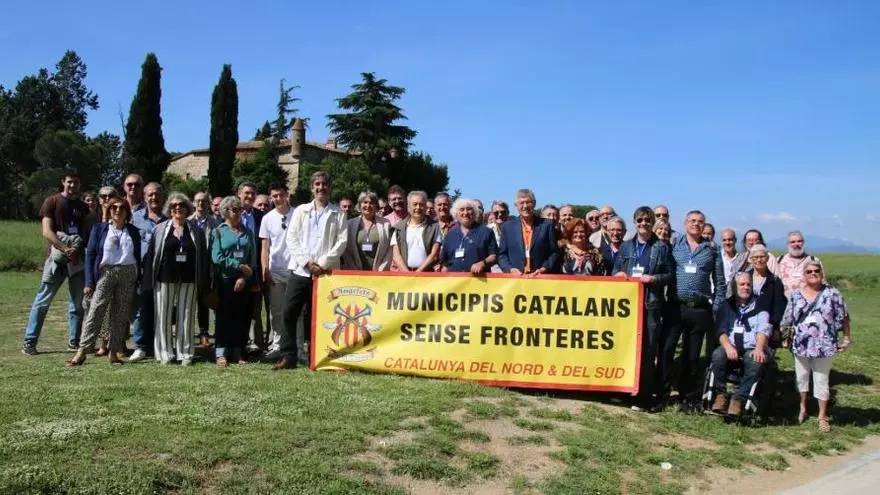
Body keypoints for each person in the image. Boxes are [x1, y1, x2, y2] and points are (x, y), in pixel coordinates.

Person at [274, 171, 348, 370]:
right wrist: (307, 262)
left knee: (321, 316)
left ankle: (318, 355)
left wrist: (322, 264)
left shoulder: (338, 213)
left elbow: (341, 242)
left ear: (330, 187)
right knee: (289, 312)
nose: (321, 187)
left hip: (325, 274)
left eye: (324, 184)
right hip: (300, 271)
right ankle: (288, 356)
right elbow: (292, 238)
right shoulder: (301, 211)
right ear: (311, 187)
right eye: (317, 184)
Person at [661, 210, 726, 412]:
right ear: (685, 223)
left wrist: (715, 307)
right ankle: (661, 393)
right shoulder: (674, 245)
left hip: (699, 309)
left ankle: (687, 398)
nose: (696, 224)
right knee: (667, 350)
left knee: (692, 354)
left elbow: (720, 282)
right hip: (675, 306)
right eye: (692, 221)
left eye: (700, 222)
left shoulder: (712, 250)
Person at [67, 198, 141, 366]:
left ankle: (113, 352)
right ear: (109, 210)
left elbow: (137, 255)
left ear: (127, 212)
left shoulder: (133, 231)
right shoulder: (99, 229)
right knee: (95, 311)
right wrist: (89, 282)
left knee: (120, 315)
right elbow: (90, 255)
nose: (117, 210)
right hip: (105, 273)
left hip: (128, 273)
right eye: (114, 207)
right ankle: (82, 351)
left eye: (122, 207)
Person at [613, 206, 673, 411]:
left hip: (651, 305)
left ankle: (644, 397)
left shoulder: (661, 248)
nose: (644, 224)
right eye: (639, 220)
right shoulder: (626, 247)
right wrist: (619, 275)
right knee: (627, 349)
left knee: (647, 352)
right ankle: (624, 391)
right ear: (634, 222)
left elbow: (670, 276)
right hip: (629, 307)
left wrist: (654, 278)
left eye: (647, 220)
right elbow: (616, 269)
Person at [21, 171, 88, 355]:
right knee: (43, 301)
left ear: (79, 184)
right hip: (56, 260)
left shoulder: (83, 206)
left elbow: (86, 232)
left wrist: (77, 251)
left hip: (77, 261)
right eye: (69, 182)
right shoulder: (52, 201)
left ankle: (74, 342)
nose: (72, 185)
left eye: (75, 182)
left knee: (77, 304)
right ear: (63, 182)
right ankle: (30, 342)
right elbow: (47, 231)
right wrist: (65, 249)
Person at [781, 260, 851, 432]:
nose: (813, 274)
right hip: (801, 345)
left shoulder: (832, 294)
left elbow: (844, 317)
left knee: (821, 380)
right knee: (801, 378)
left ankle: (822, 415)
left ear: (821, 273)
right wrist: (785, 338)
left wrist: (847, 339)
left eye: (816, 271)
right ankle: (803, 408)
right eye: (809, 271)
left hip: (824, 345)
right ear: (804, 275)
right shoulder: (796, 295)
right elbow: (787, 319)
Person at [150, 193, 210, 365]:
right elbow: (152, 255)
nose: (178, 208)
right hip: (164, 278)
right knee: (163, 315)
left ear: (187, 208)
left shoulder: (196, 231)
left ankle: (185, 353)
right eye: (174, 205)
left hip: (189, 279)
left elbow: (203, 256)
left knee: (186, 315)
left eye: (181, 205)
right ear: (169, 209)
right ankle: (164, 353)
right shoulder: (160, 228)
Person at [708, 273, 772, 417]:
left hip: (752, 347)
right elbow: (721, 331)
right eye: (742, 285)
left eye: (748, 284)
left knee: (755, 360)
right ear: (735, 287)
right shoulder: (726, 306)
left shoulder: (760, 305)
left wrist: (759, 348)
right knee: (718, 355)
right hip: (731, 346)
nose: (745, 287)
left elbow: (763, 329)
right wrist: (728, 347)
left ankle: (739, 399)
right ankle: (721, 395)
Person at [211, 196, 259, 368]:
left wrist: (244, 277)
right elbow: (217, 258)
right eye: (234, 209)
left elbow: (252, 261)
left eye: (240, 209)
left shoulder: (248, 233)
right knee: (223, 317)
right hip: (224, 281)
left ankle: (238, 351)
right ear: (225, 211)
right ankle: (221, 352)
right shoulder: (218, 232)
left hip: (243, 282)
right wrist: (238, 265)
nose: (238, 212)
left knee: (241, 317)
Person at [129, 182, 167, 362]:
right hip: (143, 271)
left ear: (163, 197)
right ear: (144, 197)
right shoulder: (135, 218)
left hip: (165, 272)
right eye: (150, 195)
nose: (154, 198)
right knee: (142, 309)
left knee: (163, 309)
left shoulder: (170, 219)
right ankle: (141, 346)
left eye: (157, 194)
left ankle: (160, 344)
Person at [259, 182, 295, 360]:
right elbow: (265, 247)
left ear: (287, 194)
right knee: (276, 311)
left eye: (281, 195)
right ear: (271, 198)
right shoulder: (267, 218)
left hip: (295, 270)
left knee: (295, 310)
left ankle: (296, 346)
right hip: (276, 271)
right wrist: (265, 268)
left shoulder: (298, 214)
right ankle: (277, 345)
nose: (278, 199)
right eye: (274, 196)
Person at [498, 189, 559, 275]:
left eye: (528, 202)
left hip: (540, 277)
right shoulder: (508, 227)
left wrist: (544, 268)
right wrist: (510, 269)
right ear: (516, 205)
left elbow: (554, 253)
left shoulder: (547, 225)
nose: (525, 206)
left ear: (534, 204)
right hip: (516, 279)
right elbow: (502, 255)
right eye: (521, 203)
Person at [237, 181, 267, 353]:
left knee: (255, 308)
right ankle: (239, 341)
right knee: (237, 306)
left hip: (255, 268)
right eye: (246, 193)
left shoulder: (260, 216)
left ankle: (255, 343)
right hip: (237, 266)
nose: (249, 196)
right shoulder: (232, 213)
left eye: (252, 193)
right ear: (239, 194)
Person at [189, 191, 220, 346]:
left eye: (204, 201)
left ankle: (203, 333)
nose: (201, 204)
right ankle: (187, 332)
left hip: (207, 267)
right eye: (198, 201)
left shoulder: (214, 223)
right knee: (188, 301)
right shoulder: (187, 222)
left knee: (204, 302)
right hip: (189, 267)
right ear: (193, 203)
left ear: (208, 204)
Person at [440, 198, 497, 273]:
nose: (466, 213)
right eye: (462, 210)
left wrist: (483, 263)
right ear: (456, 214)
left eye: (469, 209)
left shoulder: (486, 232)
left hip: (479, 281)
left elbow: (494, 256)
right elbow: (445, 264)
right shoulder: (450, 235)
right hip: (454, 282)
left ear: (475, 212)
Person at [391, 191, 442, 272]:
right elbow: (396, 255)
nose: (418, 207)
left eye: (421, 204)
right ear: (408, 207)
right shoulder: (399, 228)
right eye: (415, 204)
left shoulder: (435, 227)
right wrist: (407, 273)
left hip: (427, 275)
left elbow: (434, 254)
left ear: (425, 207)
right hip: (405, 276)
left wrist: (418, 273)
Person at [341, 191, 392, 271]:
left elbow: (390, 250)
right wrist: (354, 270)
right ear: (360, 205)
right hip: (355, 272)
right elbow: (347, 251)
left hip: (379, 273)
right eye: (365, 202)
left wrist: (381, 270)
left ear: (376, 206)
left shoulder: (386, 224)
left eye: (371, 203)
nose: (368, 205)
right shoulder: (350, 224)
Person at [743, 245, 786, 338]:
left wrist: (774, 326)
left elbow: (779, 306)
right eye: (756, 257)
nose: (759, 260)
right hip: (745, 323)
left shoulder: (775, 281)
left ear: (767, 258)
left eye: (762, 257)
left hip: (766, 326)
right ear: (751, 259)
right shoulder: (743, 279)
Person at [777, 230, 824, 297]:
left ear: (803, 243)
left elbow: (822, 282)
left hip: (808, 303)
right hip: (784, 304)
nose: (796, 244)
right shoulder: (779, 260)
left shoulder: (813, 260)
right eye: (792, 242)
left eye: (799, 241)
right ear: (787, 244)